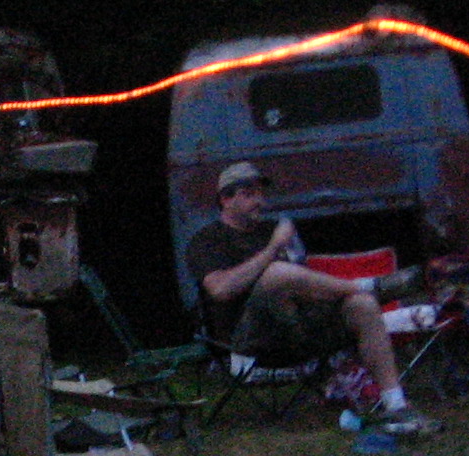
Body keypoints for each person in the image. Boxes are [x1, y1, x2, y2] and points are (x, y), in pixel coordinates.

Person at [187, 161, 437, 434]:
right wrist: (274, 248)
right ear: (225, 199)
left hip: (299, 330)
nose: (259, 201)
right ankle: (366, 286)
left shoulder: (272, 229)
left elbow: (304, 280)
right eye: (248, 194)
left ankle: (396, 406)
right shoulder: (207, 240)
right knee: (277, 273)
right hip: (250, 339)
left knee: (362, 306)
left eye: (260, 194)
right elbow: (220, 289)